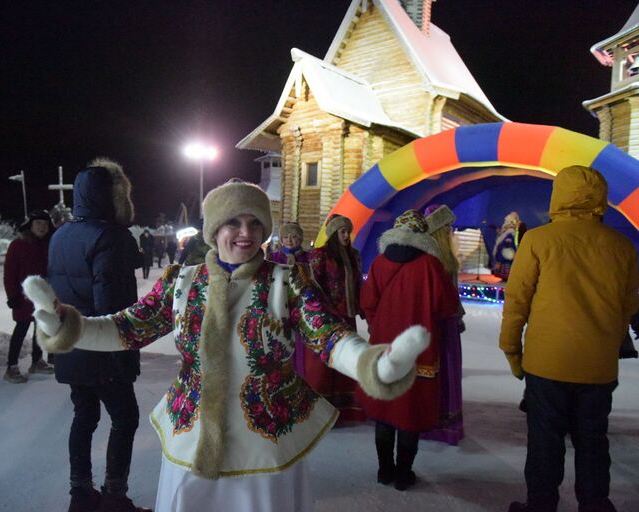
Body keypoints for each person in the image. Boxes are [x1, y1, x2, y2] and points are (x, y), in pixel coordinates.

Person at [23, 179, 431, 512]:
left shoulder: (287, 281)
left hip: (266, 445)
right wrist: (67, 326)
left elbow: (328, 334)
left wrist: (372, 364)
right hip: (191, 435)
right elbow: (127, 328)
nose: (245, 233)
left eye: (255, 223)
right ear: (214, 229)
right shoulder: (182, 281)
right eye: (233, 222)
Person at [499, 165, 639, 512]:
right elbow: (627, 307)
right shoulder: (621, 248)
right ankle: (595, 505)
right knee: (593, 443)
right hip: (597, 370)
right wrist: (606, 344)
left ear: (558, 195)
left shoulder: (538, 241)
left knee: (545, 443)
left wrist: (513, 352)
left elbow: (517, 303)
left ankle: (541, 506)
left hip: (546, 365)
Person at [46, 158, 148, 512]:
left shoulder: (60, 235)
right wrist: (126, 352)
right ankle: (114, 498)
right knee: (125, 418)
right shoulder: (111, 237)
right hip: (104, 347)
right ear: (113, 197)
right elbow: (112, 307)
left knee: (84, 415)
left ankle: (80, 494)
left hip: (71, 343)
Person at [358, 209, 460, 491]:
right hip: (419, 351)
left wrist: (378, 325)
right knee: (409, 413)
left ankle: (383, 470)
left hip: (384, 348)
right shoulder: (430, 264)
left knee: (385, 410)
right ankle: (403, 474)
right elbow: (446, 306)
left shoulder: (378, 263)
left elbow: (367, 302)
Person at [306, 215, 365, 424]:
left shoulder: (353, 255)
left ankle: (346, 408)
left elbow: (358, 283)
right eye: (342, 232)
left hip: (348, 315)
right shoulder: (320, 255)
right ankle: (321, 411)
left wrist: (363, 306)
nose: (346, 235)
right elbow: (314, 285)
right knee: (325, 362)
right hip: (329, 317)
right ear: (333, 233)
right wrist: (322, 311)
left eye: (348, 231)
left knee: (347, 358)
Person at [420, 205, 465, 446]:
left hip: (449, 321)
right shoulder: (431, 258)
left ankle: (446, 416)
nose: (451, 232)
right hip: (437, 322)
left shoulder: (445, 256)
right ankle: (435, 419)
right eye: (447, 227)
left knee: (448, 368)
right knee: (438, 369)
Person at [2, 209, 55, 383]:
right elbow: (10, 273)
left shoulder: (48, 245)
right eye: (38, 223)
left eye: (45, 224)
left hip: (43, 297)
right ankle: (11, 367)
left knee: (40, 329)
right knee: (21, 329)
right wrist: (13, 296)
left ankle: (37, 362)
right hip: (23, 297)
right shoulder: (18, 245)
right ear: (30, 225)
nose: (42, 227)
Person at [491, 211, 526, 281]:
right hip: (506, 256)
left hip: (506, 257)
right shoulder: (509, 231)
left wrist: (499, 259)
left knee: (507, 267)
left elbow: (506, 246)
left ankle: (506, 277)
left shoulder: (510, 232)